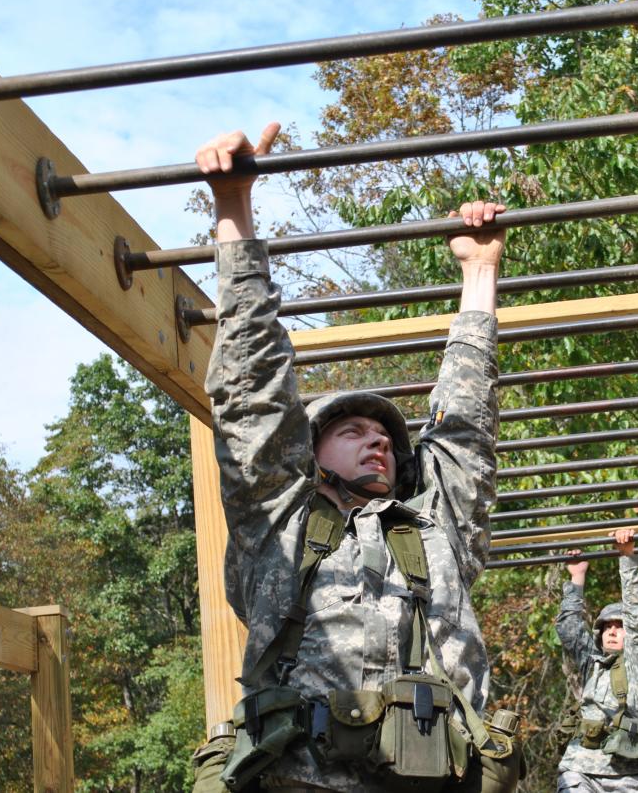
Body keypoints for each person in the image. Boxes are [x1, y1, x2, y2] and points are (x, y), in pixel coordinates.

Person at [190, 123, 518, 793]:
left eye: (385, 436)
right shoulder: (277, 525)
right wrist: (234, 213)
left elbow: (465, 428)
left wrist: (480, 274)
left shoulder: (436, 529)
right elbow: (254, 394)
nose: (376, 440)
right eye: (352, 429)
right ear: (310, 456)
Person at [555, 529, 638, 793]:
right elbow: (569, 627)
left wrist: (628, 558)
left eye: (620, 626)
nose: (613, 631)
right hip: (579, 769)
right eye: (607, 627)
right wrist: (577, 578)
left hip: (626, 776)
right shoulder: (592, 664)